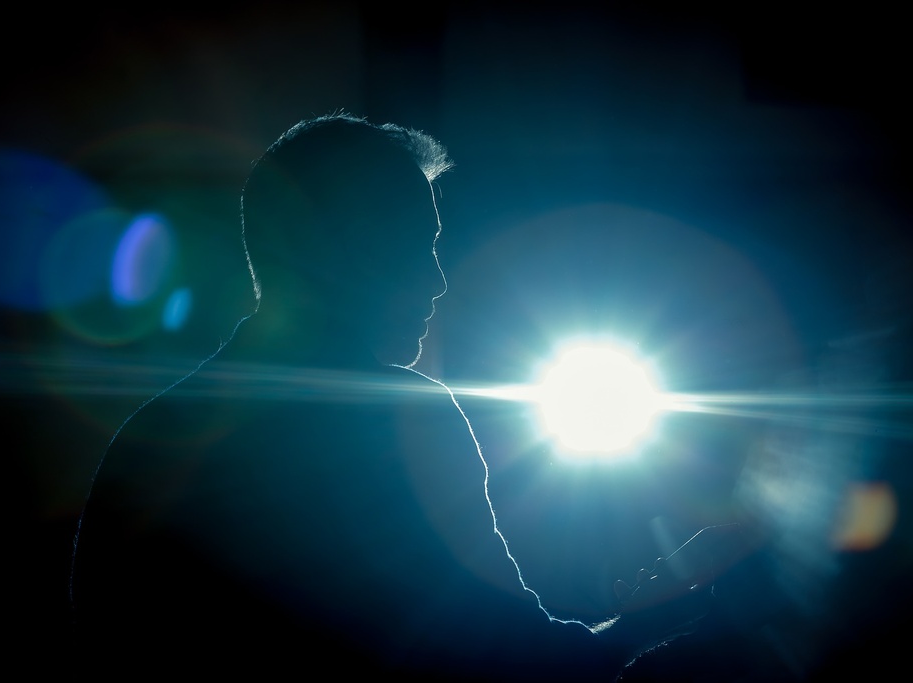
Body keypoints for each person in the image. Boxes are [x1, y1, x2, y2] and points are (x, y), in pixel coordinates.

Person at [70, 114, 731, 680]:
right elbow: (499, 657)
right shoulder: (395, 422)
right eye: (416, 248)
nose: (438, 281)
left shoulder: (153, 436)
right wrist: (666, 611)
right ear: (336, 251)